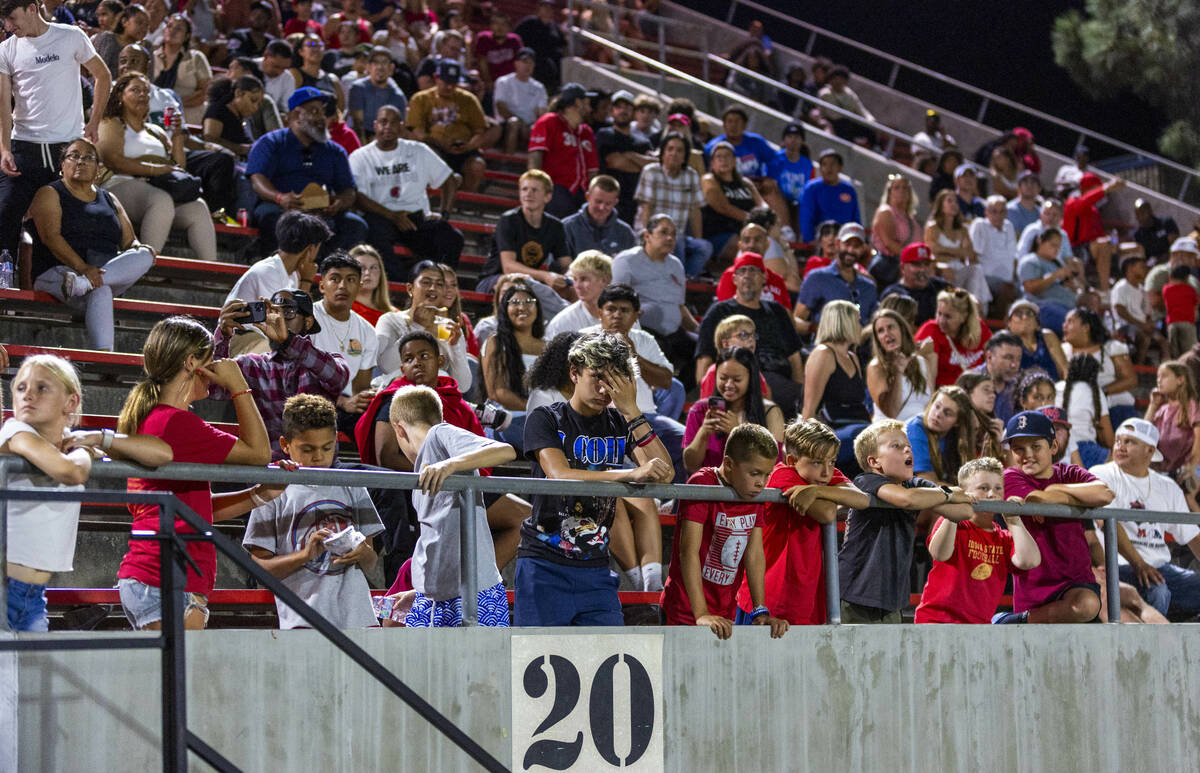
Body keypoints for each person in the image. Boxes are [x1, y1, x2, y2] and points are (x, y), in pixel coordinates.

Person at [116, 316, 275, 630]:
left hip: (154, 576)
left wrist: (259, 495)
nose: (216, 370)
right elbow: (259, 453)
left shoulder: (154, 417)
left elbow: (192, 510)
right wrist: (239, 387)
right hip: (169, 578)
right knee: (178, 679)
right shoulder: (177, 424)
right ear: (192, 363)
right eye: (211, 361)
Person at [514, 332, 673, 626]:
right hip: (544, 563)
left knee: (604, 660)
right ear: (574, 372)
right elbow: (559, 474)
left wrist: (632, 410)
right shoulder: (546, 418)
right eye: (597, 376)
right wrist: (632, 473)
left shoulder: (620, 421)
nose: (604, 388)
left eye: (613, 380)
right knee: (535, 662)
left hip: (597, 567)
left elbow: (664, 471)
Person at [2, 354, 170, 631]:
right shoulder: (16, 431)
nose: (28, 394)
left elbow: (162, 454)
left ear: (71, 402)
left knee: (24, 674)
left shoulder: (68, 441)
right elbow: (72, 472)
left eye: (42, 387)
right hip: (5, 588)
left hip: (32, 594)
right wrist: (83, 450)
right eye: (20, 388)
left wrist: (98, 437)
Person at [243, 394, 383, 629]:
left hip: (358, 617)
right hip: (303, 620)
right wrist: (306, 554)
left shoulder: (352, 484)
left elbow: (371, 561)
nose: (318, 456)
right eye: (307, 449)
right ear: (285, 445)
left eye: (327, 448)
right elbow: (259, 569)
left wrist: (361, 553)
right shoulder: (273, 490)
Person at [385, 384, 516, 627]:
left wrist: (449, 465)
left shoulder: (439, 434)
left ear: (399, 429)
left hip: (474, 595)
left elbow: (505, 450)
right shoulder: (423, 467)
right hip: (436, 596)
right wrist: (419, 592)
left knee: (482, 666)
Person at [0, 0, 112, 257]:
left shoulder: (70, 36)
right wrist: (5, 148)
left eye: (12, 18)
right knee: (5, 210)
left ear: (31, 8)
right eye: (4, 20)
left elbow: (103, 76)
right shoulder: (6, 50)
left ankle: (56, 279)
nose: (8, 26)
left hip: (67, 149)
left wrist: (94, 122)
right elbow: (3, 104)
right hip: (24, 146)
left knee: (63, 224)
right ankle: (3, 275)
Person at [732, 418, 868, 626]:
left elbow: (862, 499)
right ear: (792, 461)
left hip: (807, 596)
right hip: (769, 596)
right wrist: (831, 495)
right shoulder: (781, 474)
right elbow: (827, 513)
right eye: (817, 462)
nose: (826, 471)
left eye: (831, 462)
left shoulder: (818, 480)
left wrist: (817, 490)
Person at [839, 419, 975, 623]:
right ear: (874, 462)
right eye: (896, 446)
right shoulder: (866, 480)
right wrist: (948, 493)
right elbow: (907, 499)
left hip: (891, 599)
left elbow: (963, 511)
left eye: (908, 446)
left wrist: (942, 495)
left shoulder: (914, 484)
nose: (907, 451)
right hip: (853, 594)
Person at [661, 423, 789, 639]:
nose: (761, 483)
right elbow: (688, 551)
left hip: (724, 613)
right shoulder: (702, 483)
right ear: (728, 463)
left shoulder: (752, 493)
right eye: (755, 473)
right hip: (684, 610)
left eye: (767, 474)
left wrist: (760, 609)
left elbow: (755, 554)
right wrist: (701, 613)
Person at [28, 138, 154, 352]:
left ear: (98, 169)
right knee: (102, 291)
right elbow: (51, 237)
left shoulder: (109, 198)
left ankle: (84, 283)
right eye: (73, 156)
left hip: (98, 275)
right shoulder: (50, 193)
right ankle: (105, 358)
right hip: (58, 272)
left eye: (88, 158)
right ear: (62, 165)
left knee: (146, 254)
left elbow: (129, 240)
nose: (80, 162)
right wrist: (83, 269)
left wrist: (136, 250)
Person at [996, 410, 1115, 623]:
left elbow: (1104, 493)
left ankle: (1015, 621)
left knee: (1086, 605)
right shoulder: (1010, 476)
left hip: (1075, 581)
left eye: (1035, 446)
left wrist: (1056, 489)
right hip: (1034, 585)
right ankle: (1018, 620)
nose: (1027, 454)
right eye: (1019, 449)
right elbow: (1036, 501)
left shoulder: (1070, 472)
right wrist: (1078, 497)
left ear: (1053, 447)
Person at [212, 290, 349, 459]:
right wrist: (223, 335)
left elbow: (338, 376)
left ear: (307, 322)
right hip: (271, 472)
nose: (278, 320)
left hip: (319, 468)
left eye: (288, 312)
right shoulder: (254, 365)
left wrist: (288, 340)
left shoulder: (325, 361)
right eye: (272, 313)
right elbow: (213, 388)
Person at [96, 72, 217, 256]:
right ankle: (148, 266)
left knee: (198, 207)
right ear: (120, 95)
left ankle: (212, 274)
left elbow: (178, 167)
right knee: (160, 200)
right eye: (135, 90)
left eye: (146, 91)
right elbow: (113, 160)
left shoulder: (156, 131)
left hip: (156, 186)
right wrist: (154, 169)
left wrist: (177, 136)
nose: (143, 94)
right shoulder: (112, 122)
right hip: (119, 183)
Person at [1090, 418, 1200, 619]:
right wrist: (1139, 564)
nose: (1120, 447)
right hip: (1120, 566)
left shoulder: (1167, 486)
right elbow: (1107, 523)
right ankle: (1155, 646)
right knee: (1157, 590)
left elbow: (1192, 536)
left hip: (1161, 569)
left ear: (1150, 451)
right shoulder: (1100, 474)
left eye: (1129, 442)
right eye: (1117, 441)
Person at [914, 457, 1041, 623]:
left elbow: (1029, 561)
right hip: (936, 621)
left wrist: (1014, 520)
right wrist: (954, 512)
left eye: (998, 488)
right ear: (964, 491)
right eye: (983, 488)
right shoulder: (956, 524)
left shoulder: (1003, 537)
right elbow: (940, 554)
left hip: (978, 626)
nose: (991, 494)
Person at [245, 86, 368, 253]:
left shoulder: (334, 151)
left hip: (320, 209)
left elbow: (348, 190)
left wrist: (340, 203)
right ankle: (278, 270)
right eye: (314, 111)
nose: (321, 118)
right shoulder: (271, 142)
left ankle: (330, 272)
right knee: (271, 217)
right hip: (280, 205)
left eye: (322, 112)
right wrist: (280, 197)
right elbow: (257, 178)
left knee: (355, 224)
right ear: (296, 115)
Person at [588, 283, 687, 482]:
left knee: (687, 443)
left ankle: (672, 506)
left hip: (646, 417)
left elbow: (667, 381)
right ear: (600, 312)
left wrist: (634, 355)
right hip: (603, 418)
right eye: (610, 309)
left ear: (636, 315)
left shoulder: (644, 340)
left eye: (624, 310)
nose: (617, 315)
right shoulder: (585, 339)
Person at [349, 104, 464, 273]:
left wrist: (444, 215)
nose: (388, 126)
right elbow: (359, 198)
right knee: (372, 233)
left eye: (393, 122)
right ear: (375, 125)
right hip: (380, 215)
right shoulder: (360, 156)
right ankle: (398, 284)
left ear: (401, 126)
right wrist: (393, 216)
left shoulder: (418, 150)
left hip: (416, 217)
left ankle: (439, 281)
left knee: (452, 237)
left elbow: (449, 181)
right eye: (383, 122)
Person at [696, 251, 804, 416]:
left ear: (764, 277)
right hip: (742, 377)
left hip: (781, 376)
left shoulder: (777, 311)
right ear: (734, 279)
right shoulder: (719, 311)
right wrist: (706, 392)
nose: (747, 275)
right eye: (742, 271)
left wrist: (800, 388)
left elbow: (794, 355)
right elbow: (705, 356)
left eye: (753, 270)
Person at [612, 213, 699, 384]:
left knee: (703, 349)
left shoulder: (676, 264)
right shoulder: (626, 261)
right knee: (656, 348)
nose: (670, 238)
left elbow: (680, 306)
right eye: (664, 232)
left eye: (673, 234)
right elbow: (615, 302)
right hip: (642, 330)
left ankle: (677, 390)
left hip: (674, 332)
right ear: (647, 236)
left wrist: (699, 330)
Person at [223, 210, 327, 354]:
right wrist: (307, 281)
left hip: (263, 340)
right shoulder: (268, 272)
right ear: (310, 249)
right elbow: (286, 326)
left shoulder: (292, 275)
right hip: (241, 341)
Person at [477, 168, 572, 316]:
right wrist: (546, 276)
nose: (528, 194)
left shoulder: (555, 226)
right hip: (495, 278)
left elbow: (566, 263)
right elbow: (509, 267)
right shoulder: (508, 220)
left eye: (534, 190)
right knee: (515, 283)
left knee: (571, 289)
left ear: (547, 197)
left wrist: (568, 279)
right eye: (524, 189)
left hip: (531, 281)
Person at [683, 346, 784, 475]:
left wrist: (738, 433)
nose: (729, 385)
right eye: (723, 378)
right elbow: (690, 466)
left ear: (751, 379)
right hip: (707, 489)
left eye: (737, 380)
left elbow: (773, 467)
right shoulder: (700, 410)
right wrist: (703, 433)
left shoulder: (770, 412)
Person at [308, 252, 378, 433]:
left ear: (359, 285)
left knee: (383, 421)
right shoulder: (307, 320)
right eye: (335, 279)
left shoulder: (368, 331)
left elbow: (360, 388)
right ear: (322, 285)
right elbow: (298, 378)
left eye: (351, 280)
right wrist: (342, 402)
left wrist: (363, 399)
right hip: (307, 400)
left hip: (345, 407)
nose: (343, 286)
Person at [801, 300, 871, 475]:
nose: (860, 325)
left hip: (860, 426)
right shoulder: (823, 354)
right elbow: (809, 409)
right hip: (834, 432)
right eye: (856, 320)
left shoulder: (852, 357)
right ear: (843, 322)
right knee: (866, 436)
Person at [634, 131, 711, 277]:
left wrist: (698, 238)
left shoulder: (691, 175)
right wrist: (647, 237)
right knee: (677, 244)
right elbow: (646, 207)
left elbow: (695, 211)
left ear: (685, 156)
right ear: (662, 153)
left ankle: (685, 279)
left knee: (704, 247)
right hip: (654, 234)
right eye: (670, 149)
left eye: (679, 150)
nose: (674, 153)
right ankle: (675, 281)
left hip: (678, 235)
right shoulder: (651, 172)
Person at [405, 58, 486, 193]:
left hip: (464, 149)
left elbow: (480, 131)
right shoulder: (420, 99)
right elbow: (417, 132)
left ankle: (465, 204)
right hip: (435, 147)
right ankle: (432, 201)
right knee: (428, 155)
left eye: (453, 83)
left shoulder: (469, 99)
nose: (450, 87)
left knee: (477, 165)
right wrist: (442, 144)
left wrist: (468, 146)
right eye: (446, 82)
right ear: (436, 78)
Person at [481, 280, 545, 450]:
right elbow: (498, 393)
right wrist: (537, 409)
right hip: (506, 419)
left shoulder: (546, 346)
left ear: (537, 309)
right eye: (515, 302)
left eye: (529, 302)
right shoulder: (496, 341)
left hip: (538, 418)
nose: (522, 307)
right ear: (505, 309)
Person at [1061, 306, 1139, 427]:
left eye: (1070, 321)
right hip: (1077, 409)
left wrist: (1099, 393)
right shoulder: (1063, 351)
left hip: (1114, 406)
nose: (1064, 325)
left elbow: (1130, 380)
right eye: (1065, 321)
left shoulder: (1111, 348)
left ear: (1086, 327)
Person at [527, 81, 596, 218]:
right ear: (577, 103)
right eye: (587, 103)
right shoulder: (549, 122)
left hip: (581, 192)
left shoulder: (586, 132)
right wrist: (534, 189)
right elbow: (535, 158)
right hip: (554, 189)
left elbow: (593, 170)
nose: (590, 109)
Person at [794, 222, 878, 333]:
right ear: (837, 244)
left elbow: (874, 324)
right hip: (826, 346)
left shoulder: (868, 287)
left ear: (863, 249)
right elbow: (797, 320)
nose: (851, 250)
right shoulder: (817, 278)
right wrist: (820, 329)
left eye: (856, 246)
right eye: (847, 244)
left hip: (860, 347)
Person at [867, 307, 936, 423]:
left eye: (890, 327)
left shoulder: (921, 361)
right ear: (878, 339)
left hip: (921, 428)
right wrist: (898, 373)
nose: (886, 334)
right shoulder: (876, 367)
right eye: (880, 331)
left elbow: (931, 404)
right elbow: (891, 413)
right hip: (891, 432)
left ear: (902, 330)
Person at [701, 140, 763, 263]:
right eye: (719, 156)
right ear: (712, 163)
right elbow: (723, 207)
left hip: (748, 231)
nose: (723, 159)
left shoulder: (745, 183)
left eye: (727, 156)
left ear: (735, 161)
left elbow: (761, 204)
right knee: (748, 244)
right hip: (721, 234)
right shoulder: (709, 180)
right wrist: (753, 220)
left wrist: (767, 218)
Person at [926, 188, 989, 308]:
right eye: (949, 201)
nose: (954, 204)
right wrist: (959, 252)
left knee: (976, 270)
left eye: (955, 201)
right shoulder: (932, 227)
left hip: (959, 270)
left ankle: (977, 308)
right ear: (941, 205)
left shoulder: (963, 229)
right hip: (941, 270)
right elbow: (933, 250)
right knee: (948, 271)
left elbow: (970, 254)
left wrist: (945, 250)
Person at [1062, 172, 1125, 291]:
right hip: (1075, 249)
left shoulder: (1094, 210)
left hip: (1094, 248)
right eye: (1095, 188)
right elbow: (1084, 201)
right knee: (1104, 245)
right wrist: (1106, 188)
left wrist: (1113, 241)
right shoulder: (1072, 202)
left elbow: (1099, 235)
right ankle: (1105, 290)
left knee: (1135, 248)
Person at [915, 287, 991, 386]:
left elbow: (992, 360)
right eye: (939, 313)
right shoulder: (930, 331)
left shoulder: (980, 328)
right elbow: (930, 379)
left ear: (964, 317)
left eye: (947, 316)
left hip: (975, 391)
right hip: (944, 393)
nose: (941, 320)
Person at [1016, 229, 1080, 336]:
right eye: (1053, 245)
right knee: (1076, 328)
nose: (1056, 249)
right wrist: (1055, 276)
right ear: (1041, 242)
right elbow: (1030, 288)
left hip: (1068, 307)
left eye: (1058, 246)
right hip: (1044, 308)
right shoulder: (1030, 261)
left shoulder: (1056, 264)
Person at [907, 385, 976, 485]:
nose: (938, 414)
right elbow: (928, 482)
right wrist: (966, 493)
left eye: (947, 413)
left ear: (957, 422)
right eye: (937, 406)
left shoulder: (954, 436)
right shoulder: (915, 429)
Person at [150, 14, 211, 124]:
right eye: (169, 26)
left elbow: (203, 93)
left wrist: (174, 104)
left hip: (188, 112)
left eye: (178, 28)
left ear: (187, 36)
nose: (172, 31)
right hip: (155, 111)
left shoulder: (195, 57)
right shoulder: (152, 57)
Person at [1057, 353, 1114, 469]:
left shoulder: (1055, 387)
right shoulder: (1094, 391)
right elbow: (1109, 439)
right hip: (1086, 449)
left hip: (1059, 449)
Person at [1145, 360, 1200, 481]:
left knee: (1187, 493)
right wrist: (1153, 405)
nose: (1159, 380)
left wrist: (1191, 466)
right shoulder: (1162, 409)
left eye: (1164, 376)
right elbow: (1144, 433)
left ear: (1180, 380)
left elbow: (1199, 438)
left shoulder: (1191, 405)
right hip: (1162, 468)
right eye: (1158, 377)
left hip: (1186, 466)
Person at [697, 314, 771, 400]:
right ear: (726, 344)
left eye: (753, 335)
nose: (751, 339)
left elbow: (765, 403)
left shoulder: (754, 371)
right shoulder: (714, 372)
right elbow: (706, 406)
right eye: (743, 335)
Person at [879, 241, 951, 328]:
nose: (923, 269)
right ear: (902, 268)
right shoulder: (894, 295)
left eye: (926, 264)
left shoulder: (942, 287)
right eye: (917, 264)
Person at [543, 250, 613, 339]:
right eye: (575, 279)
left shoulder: (624, 317)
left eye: (584, 279)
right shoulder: (562, 323)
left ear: (604, 280)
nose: (577, 286)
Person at [562, 174, 636, 257]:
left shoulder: (625, 233)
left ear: (615, 203)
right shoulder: (567, 227)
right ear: (588, 197)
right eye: (598, 201)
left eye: (608, 203)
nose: (602, 208)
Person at [969, 194, 1019, 315]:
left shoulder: (1009, 226)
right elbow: (973, 256)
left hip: (1007, 279)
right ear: (986, 212)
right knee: (1007, 290)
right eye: (994, 211)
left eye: (1002, 212)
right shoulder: (979, 224)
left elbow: (1014, 257)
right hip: (985, 278)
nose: (998, 215)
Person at [796, 148, 860, 243]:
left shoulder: (849, 189)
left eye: (833, 164)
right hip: (821, 240)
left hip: (845, 240)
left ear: (840, 167)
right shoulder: (812, 188)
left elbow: (856, 219)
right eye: (824, 164)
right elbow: (806, 218)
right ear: (820, 168)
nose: (828, 168)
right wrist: (810, 240)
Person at [869, 174, 920, 289]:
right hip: (887, 267)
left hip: (906, 266)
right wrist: (913, 260)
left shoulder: (911, 218)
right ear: (889, 192)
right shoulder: (886, 212)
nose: (901, 191)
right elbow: (888, 243)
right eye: (896, 188)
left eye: (905, 188)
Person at [492, 46, 546, 156]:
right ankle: (507, 161)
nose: (527, 65)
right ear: (516, 63)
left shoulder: (539, 87)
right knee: (514, 123)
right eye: (524, 61)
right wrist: (521, 123)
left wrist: (534, 126)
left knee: (537, 130)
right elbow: (501, 108)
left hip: (529, 126)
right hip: (507, 124)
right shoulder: (503, 82)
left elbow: (542, 113)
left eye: (531, 62)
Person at [346, 46, 407, 143]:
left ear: (391, 68)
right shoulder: (358, 88)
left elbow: (400, 129)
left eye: (384, 62)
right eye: (376, 62)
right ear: (368, 67)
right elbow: (357, 125)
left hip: (385, 138)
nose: (380, 67)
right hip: (360, 138)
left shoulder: (398, 95)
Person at [1112, 253, 1164, 364]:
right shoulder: (1121, 287)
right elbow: (1120, 310)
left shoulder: (1142, 290)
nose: (1145, 270)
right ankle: (1139, 369)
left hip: (1141, 326)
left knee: (1163, 341)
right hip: (1125, 326)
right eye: (1141, 267)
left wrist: (1149, 323)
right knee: (1144, 338)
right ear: (1130, 268)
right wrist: (1140, 325)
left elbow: (1148, 313)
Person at [1003, 299, 1069, 380]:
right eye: (1018, 314)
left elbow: (1064, 370)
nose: (1025, 317)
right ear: (1009, 323)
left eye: (1029, 314)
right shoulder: (1005, 344)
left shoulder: (1048, 337)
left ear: (1037, 323)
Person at [201, 75, 264, 158]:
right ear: (238, 93)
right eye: (252, 101)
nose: (256, 107)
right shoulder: (217, 110)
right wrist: (240, 149)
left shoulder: (242, 117)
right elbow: (210, 139)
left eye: (259, 104)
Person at [971, 332, 1024, 424]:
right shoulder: (971, 382)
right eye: (1008, 358)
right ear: (989, 357)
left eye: (1018, 359)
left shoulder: (1019, 385)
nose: (1014, 365)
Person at [513, 0, 564, 93]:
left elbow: (562, 45)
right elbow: (515, 40)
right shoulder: (529, 23)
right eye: (544, 6)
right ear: (538, 9)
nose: (548, 10)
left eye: (550, 7)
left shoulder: (554, 27)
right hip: (533, 66)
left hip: (552, 69)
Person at [766, 122, 813, 215]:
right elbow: (770, 184)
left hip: (798, 206)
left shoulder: (807, 163)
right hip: (778, 203)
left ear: (802, 141)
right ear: (783, 140)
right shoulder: (775, 159)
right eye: (789, 136)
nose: (793, 140)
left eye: (796, 137)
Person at [349, 244, 395, 327]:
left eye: (373, 268)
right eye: (362, 268)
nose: (368, 273)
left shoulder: (394, 314)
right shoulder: (341, 310)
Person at [1163, 266, 1200, 358]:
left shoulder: (1166, 289)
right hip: (1188, 323)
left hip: (1172, 324)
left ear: (1170, 276)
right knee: (1190, 352)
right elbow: (1196, 304)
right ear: (1186, 278)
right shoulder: (1190, 290)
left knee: (1174, 352)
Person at [1132, 198, 1180, 263]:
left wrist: (1162, 259)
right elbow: (1142, 255)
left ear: (1150, 211)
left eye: (1142, 212)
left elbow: (1175, 247)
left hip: (1172, 261)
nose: (1140, 216)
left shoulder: (1166, 223)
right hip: (1153, 266)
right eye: (1137, 214)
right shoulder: (1138, 235)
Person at [1006, 170, 1043, 236]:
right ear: (1019, 187)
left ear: (1039, 188)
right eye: (1025, 182)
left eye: (1033, 182)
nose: (1029, 185)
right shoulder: (1009, 209)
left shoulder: (1042, 213)